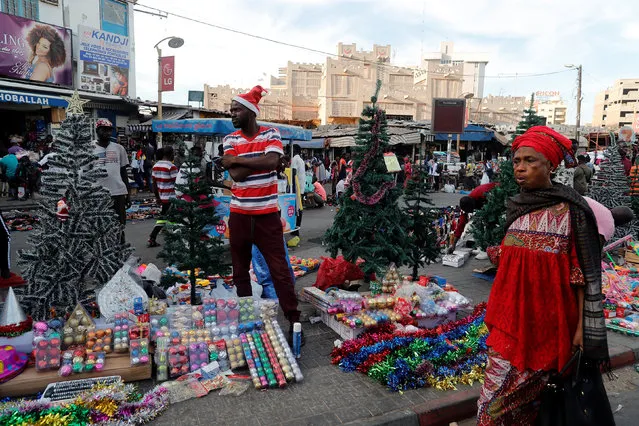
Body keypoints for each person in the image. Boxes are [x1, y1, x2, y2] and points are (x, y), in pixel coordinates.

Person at [477, 126, 611, 424]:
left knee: (538, 407)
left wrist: (580, 332)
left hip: (551, 328)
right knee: (491, 409)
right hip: (509, 323)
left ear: (550, 165)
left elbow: (583, 276)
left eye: (529, 161)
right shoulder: (516, 207)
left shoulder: (572, 211)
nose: (520, 168)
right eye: (516, 161)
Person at [220, 85, 302, 344]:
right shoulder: (230, 139)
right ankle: (247, 320)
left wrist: (238, 160)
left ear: (251, 112)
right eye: (231, 109)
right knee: (240, 272)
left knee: (280, 271)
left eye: (237, 109)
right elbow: (237, 176)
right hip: (239, 215)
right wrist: (250, 163)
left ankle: (294, 320)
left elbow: (271, 163)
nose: (232, 114)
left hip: (267, 216)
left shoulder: (271, 133)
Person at [93, 119, 130, 242]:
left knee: (119, 224)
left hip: (118, 193)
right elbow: (84, 174)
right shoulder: (89, 148)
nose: (107, 133)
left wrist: (128, 194)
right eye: (104, 130)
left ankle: (121, 251)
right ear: (97, 131)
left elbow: (123, 172)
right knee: (100, 225)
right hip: (98, 194)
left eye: (109, 130)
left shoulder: (119, 148)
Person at [448, 182, 498, 253]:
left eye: (470, 210)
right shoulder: (465, 206)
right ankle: (489, 244)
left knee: (491, 221)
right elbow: (461, 224)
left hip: (498, 194)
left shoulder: (483, 193)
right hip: (486, 202)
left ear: (473, 204)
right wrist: (454, 245)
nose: (470, 212)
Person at [148, 147, 178, 247]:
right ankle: (153, 236)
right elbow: (177, 183)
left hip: (162, 196)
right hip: (171, 196)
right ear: (170, 154)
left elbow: (154, 184)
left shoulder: (155, 166)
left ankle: (156, 236)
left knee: (165, 216)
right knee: (165, 218)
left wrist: (157, 197)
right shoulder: (171, 166)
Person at [288, 144, 305, 247]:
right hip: (301, 187)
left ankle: (296, 229)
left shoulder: (295, 159)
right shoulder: (301, 160)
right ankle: (296, 228)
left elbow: (293, 173)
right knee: (298, 208)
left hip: (297, 188)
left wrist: (292, 189)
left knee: (297, 209)